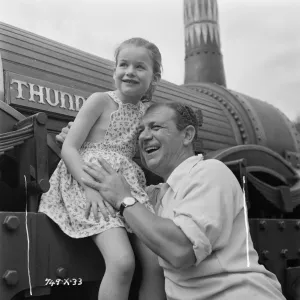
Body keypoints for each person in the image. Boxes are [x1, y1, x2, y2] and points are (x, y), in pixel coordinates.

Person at [75, 102, 287, 300]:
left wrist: (124, 199)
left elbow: (181, 250)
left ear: (187, 135)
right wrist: (82, 143)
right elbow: (120, 196)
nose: (143, 137)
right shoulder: (157, 195)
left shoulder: (209, 173)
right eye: (140, 130)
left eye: (155, 127)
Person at [39, 37, 166, 300]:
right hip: (90, 182)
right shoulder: (99, 100)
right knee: (122, 263)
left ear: (155, 76)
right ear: (115, 70)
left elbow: (148, 155)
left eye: (140, 67)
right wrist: (89, 189)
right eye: (123, 64)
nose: (130, 71)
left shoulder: (151, 112)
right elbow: (70, 148)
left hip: (127, 187)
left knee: (157, 264)